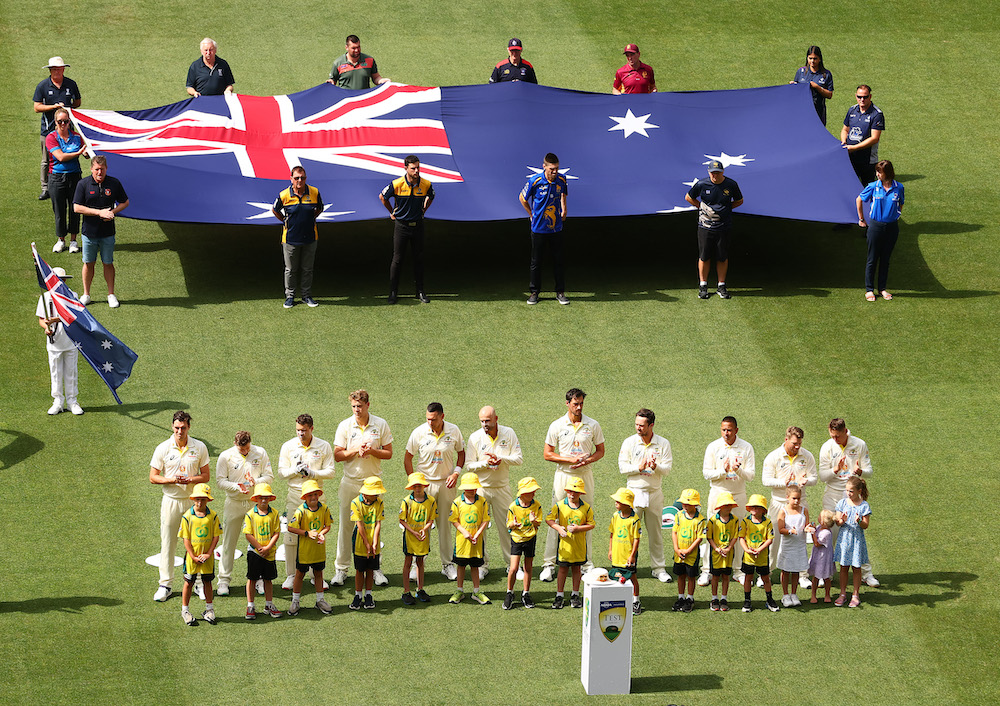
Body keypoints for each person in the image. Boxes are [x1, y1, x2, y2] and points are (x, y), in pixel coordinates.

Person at [539, 388, 604, 581]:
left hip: (584, 475)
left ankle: (585, 563)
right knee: (556, 516)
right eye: (575, 404)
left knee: (585, 516)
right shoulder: (557, 425)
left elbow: (600, 451)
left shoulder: (592, 425)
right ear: (567, 403)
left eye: (581, 403)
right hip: (564, 475)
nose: (579, 407)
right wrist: (568, 459)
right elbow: (547, 454)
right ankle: (549, 564)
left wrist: (588, 460)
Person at [333, 390, 393, 586]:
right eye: (353, 406)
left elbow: (388, 453)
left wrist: (372, 451)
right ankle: (341, 570)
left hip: (372, 485)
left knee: (374, 526)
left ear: (368, 405)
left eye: (359, 406)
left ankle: (375, 568)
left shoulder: (380, 424)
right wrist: (355, 451)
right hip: (350, 482)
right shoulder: (345, 425)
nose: (356, 410)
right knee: (346, 527)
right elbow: (337, 455)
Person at [149, 411, 210, 602]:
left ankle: (198, 582)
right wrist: (170, 479)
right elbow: (153, 476)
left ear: (189, 427)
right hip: (171, 501)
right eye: (176, 428)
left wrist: (191, 479)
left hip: (193, 502)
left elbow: (206, 475)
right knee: (168, 542)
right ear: (172, 427)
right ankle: (165, 584)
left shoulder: (199, 447)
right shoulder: (163, 448)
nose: (180, 431)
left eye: (183, 428)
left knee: (196, 542)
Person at [404, 402, 465, 580]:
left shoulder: (454, 430)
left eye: (434, 419)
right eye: (428, 419)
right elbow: (408, 458)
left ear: (442, 416)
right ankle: (417, 564)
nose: (430, 422)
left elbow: (461, 453)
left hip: (447, 484)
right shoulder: (419, 432)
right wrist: (415, 483)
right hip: (425, 485)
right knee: (421, 524)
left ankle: (447, 565)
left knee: (445, 525)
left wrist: (456, 473)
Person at [277, 414, 335, 589]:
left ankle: (315, 575)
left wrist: (313, 473)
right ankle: (291, 575)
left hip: (316, 497)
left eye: (304, 430)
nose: (300, 434)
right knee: (291, 536)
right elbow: (281, 473)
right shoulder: (288, 446)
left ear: (312, 428)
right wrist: (296, 470)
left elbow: (331, 471)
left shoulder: (323, 446)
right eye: (298, 430)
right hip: (295, 496)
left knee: (316, 534)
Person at [818, 418, 877, 586]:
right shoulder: (827, 447)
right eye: (832, 435)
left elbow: (869, 471)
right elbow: (823, 476)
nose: (834, 439)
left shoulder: (859, 444)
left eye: (837, 436)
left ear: (845, 431)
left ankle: (866, 574)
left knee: (857, 533)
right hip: (833, 494)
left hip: (854, 496)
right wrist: (835, 470)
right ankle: (825, 573)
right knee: (829, 533)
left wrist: (861, 471)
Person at [465, 405, 523, 575]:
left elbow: (518, 459)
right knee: (478, 528)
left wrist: (500, 459)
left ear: (496, 419)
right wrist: (486, 463)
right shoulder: (475, 437)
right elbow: (469, 465)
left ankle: (512, 565)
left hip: (502, 488)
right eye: (482, 421)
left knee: (507, 527)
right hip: (481, 489)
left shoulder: (509, 433)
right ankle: (482, 565)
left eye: (488, 421)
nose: (485, 424)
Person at [215, 430, 274, 597]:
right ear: (235, 444)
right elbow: (220, 481)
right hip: (233, 503)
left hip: (254, 503)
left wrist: (255, 481)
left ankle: (260, 579)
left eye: (247, 448)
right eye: (242, 449)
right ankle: (224, 581)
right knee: (228, 542)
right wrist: (236, 486)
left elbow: (269, 476)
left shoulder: (260, 452)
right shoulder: (225, 456)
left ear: (250, 443)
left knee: (259, 540)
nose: (245, 452)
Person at [699, 415, 755, 586]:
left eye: (729, 430)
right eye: (723, 430)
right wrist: (722, 471)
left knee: (738, 533)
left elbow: (751, 476)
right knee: (712, 532)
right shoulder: (713, 447)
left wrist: (739, 471)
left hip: (738, 494)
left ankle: (738, 571)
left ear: (736, 430)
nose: (726, 433)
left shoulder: (746, 447)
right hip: (718, 493)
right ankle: (707, 571)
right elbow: (707, 473)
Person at [617, 408, 672, 582]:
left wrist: (656, 467)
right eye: (636, 424)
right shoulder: (629, 442)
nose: (638, 428)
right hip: (634, 493)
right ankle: (626, 566)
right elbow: (622, 468)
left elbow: (667, 469)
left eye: (642, 425)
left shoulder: (663, 443)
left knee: (655, 532)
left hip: (655, 493)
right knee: (629, 532)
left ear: (651, 425)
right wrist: (638, 468)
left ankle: (659, 568)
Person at [73, 156, 128, 308]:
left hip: (108, 233)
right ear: (91, 169)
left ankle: (111, 294)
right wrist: (99, 213)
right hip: (89, 233)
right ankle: (86, 294)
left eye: (102, 169)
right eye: (97, 169)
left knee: (108, 263)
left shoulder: (114, 183)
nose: (99, 172)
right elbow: (77, 207)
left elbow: (125, 202)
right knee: (88, 263)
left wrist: (113, 212)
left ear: (106, 169)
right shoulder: (83, 184)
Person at [761, 426, 816, 576]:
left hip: (800, 502)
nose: (797, 447)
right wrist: (783, 482)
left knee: (801, 538)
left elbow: (814, 478)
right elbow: (765, 480)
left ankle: (803, 575)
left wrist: (806, 481)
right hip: (778, 503)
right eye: (794, 444)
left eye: (799, 444)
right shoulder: (773, 456)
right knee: (773, 540)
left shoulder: (807, 456)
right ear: (786, 440)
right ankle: (767, 573)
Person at [379, 155, 435, 303]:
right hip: (401, 226)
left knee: (419, 259)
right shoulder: (396, 184)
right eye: (413, 168)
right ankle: (393, 292)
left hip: (418, 226)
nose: (416, 171)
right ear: (405, 168)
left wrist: (424, 209)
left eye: (418, 167)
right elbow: (382, 197)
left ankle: (420, 292)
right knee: (397, 259)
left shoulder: (426, 184)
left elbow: (432, 196)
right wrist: (392, 212)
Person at [685, 159, 743, 300]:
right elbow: (688, 197)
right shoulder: (702, 184)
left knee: (722, 256)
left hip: (724, 226)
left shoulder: (731, 184)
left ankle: (721, 286)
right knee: (704, 256)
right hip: (705, 226)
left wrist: (726, 210)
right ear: (708, 172)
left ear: (722, 172)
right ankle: (703, 286)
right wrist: (703, 208)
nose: (714, 176)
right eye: (712, 173)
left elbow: (739, 200)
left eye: (717, 173)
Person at [520, 152, 569, 305]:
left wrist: (564, 209)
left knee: (558, 261)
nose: (554, 172)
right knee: (536, 262)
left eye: (556, 169)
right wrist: (531, 214)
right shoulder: (535, 181)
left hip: (556, 229)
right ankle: (534, 292)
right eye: (552, 169)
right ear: (544, 167)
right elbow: (522, 198)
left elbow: (563, 194)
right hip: (538, 228)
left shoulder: (562, 179)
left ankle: (560, 292)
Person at [272, 165, 323, 308]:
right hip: (290, 239)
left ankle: (306, 296)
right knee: (290, 269)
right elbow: (275, 210)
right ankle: (290, 296)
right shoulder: (284, 195)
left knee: (307, 269)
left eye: (302, 178)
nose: (300, 180)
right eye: (296, 178)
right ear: (291, 179)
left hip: (310, 237)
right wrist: (285, 221)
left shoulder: (314, 192)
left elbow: (319, 208)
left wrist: (310, 219)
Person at [33, 56, 81, 201]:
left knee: (70, 153)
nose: (57, 72)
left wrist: (68, 109)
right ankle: (45, 188)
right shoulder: (42, 86)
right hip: (48, 130)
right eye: (54, 69)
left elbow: (77, 102)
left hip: (67, 129)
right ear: (50, 70)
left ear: (63, 69)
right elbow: (37, 107)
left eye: (59, 69)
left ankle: (70, 181)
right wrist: (53, 107)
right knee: (46, 160)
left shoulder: (71, 84)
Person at [37, 266, 82, 415]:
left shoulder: (72, 295)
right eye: (59, 280)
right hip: (54, 342)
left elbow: (74, 316)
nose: (62, 282)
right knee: (55, 373)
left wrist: (55, 319)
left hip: (70, 341)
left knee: (71, 372)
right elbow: (41, 319)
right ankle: (58, 402)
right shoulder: (45, 297)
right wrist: (46, 328)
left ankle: (72, 401)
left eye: (63, 280)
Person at [857, 160, 904, 302]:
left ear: (887, 173)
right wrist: (861, 219)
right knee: (872, 258)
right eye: (877, 171)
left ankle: (882, 289)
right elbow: (859, 199)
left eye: (880, 171)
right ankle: (869, 289)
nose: (877, 174)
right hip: (875, 227)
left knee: (885, 259)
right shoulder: (872, 187)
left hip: (892, 228)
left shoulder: (899, 187)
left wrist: (895, 216)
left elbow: (901, 204)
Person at [545, 477, 595, 609]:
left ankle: (575, 594)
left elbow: (591, 524)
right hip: (564, 547)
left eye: (576, 492)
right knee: (562, 569)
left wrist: (579, 528)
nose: (572, 494)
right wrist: (558, 528)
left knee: (577, 569)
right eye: (570, 491)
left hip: (579, 547)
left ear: (581, 493)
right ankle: (559, 595)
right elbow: (549, 519)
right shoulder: (559, 505)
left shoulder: (586, 508)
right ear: (566, 491)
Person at [178, 483, 222, 626]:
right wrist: (192, 555)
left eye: (203, 499)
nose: (200, 502)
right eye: (197, 499)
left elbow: (216, 536)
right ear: (193, 499)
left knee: (207, 582)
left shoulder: (213, 516)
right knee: (189, 582)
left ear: (208, 500)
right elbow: (186, 539)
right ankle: (185, 610)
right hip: (192, 558)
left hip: (207, 558)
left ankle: (209, 610)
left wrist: (209, 554)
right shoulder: (187, 517)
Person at [287, 479, 333, 616]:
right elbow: (291, 527)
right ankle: (295, 601)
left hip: (318, 550)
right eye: (310, 495)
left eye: (315, 495)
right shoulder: (300, 511)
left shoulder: (324, 508)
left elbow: (327, 526)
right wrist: (307, 533)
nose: (313, 498)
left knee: (319, 574)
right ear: (304, 497)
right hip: (304, 552)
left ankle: (320, 600)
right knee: (299, 575)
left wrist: (321, 534)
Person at [46, 108, 86, 254]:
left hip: (74, 177)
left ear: (70, 122)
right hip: (56, 178)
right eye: (60, 121)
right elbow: (61, 157)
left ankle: (73, 240)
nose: (63, 124)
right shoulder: (51, 137)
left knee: (75, 208)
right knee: (59, 209)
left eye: (66, 121)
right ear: (55, 122)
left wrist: (86, 152)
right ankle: (61, 239)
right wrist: (78, 153)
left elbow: (86, 152)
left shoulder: (77, 136)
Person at [448, 473, 492, 605]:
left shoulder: (482, 501)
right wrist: (465, 533)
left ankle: (476, 591)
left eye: (474, 488)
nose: (472, 490)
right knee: (460, 565)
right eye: (469, 488)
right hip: (462, 542)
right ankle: (459, 590)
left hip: (477, 542)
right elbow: (454, 520)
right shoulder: (457, 502)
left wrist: (478, 534)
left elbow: (485, 520)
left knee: (475, 566)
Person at [242, 482, 282, 620]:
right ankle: (250, 605)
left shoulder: (275, 514)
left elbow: (277, 532)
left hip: (269, 553)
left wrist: (268, 548)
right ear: (256, 499)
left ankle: (268, 605)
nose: (264, 500)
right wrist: (259, 548)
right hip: (254, 552)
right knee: (252, 579)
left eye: (266, 497)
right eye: (261, 497)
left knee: (268, 580)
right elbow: (248, 534)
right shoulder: (250, 515)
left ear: (270, 498)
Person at [503, 477, 543, 610]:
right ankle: (510, 592)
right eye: (531, 491)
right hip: (517, 539)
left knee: (528, 567)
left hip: (530, 539)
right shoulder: (513, 506)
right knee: (513, 568)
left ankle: (526, 593)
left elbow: (539, 523)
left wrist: (534, 521)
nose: (533, 494)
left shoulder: (536, 505)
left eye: (534, 491)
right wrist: (513, 524)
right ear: (522, 493)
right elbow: (508, 524)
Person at [833, 477, 871, 608]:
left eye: (851, 491)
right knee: (843, 567)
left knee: (856, 568)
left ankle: (855, 594)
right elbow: (837, 522)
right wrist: (841, 520)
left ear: (859, 491)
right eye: (847, 491)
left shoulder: (864, 505)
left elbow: (865, 525)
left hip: (857, 540)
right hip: (844, 540)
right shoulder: (842, 503)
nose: (848, 494)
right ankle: (842, 593)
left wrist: (859, 520)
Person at [349, 476, 386, 610]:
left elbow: (378, 523)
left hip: (373, 541)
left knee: (371, 569)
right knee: (360, 570)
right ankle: (358, 595)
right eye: (374, 492)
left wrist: (375, 542)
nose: (377, 494)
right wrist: (366, 542)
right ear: (365, 493)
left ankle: (368, 595)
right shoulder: (355, 503)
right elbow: (359, 525)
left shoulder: (379, 503)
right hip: (360, 542)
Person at [739, 494, 780, 612]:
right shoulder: (746, 522)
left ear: (763, 510)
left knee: (766, 578)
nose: (754, 509)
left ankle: (769, 599)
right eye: (752, 506)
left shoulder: (767, 523)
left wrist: (759, 550)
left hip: (762, 557)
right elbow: (741, 537)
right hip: (748, 558)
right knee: (748, 578)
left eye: (757, 507)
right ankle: (747, 601)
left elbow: (770, 539)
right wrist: (747, 550)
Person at [400, 472, 436, 605]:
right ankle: (406, 591)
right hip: (410, 537)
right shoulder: (407, 501)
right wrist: (412, 531)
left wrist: (424, 530)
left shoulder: (431, 501)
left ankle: (420, 589)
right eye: (415, 486)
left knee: (420, 562)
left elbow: (431, 519)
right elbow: (402, 520)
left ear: (424, 486)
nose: (418, 488)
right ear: (411, 487)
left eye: (420, 485)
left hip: (422, 536)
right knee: (408, 562)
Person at [608, 488, 643, 615]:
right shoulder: (615, 516)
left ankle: (636, 600)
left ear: (626, 503)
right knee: (617, 577)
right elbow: (612, 533)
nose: (616, 502)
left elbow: (636, 539)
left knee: (632, 577)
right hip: (617, 554)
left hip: (628, 555)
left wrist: (632, 555)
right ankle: (619, 600)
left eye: (619, 500)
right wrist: (610, 549)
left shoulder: (634, 520)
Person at [841, 84, 885, 185]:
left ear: (870, 96)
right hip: (850, 157)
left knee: (867, 188)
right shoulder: (852, 110)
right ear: (855, 96)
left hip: (867, 160)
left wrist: (854, 147)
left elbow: (874, 138)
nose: (862, 99)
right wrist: (844, 141)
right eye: (859, 97)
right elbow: (845, 129)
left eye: (865, 97)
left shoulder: (877, 114)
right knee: (850, 185)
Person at [671, 488, 706, 612]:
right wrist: (677, 549)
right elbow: (674, 532)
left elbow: (699, 538)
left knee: (691, 576)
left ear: (695, 504)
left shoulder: (700, 520)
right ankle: (681, 597)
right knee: (680, 576)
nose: (685, 505)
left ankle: (690, 598)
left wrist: (689, 550)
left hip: (692, 555)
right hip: (678, 553)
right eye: (684, 503)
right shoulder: (679, 515)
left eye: (688, 503)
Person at [706, 491, 740, 612]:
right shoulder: (712, 521)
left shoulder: (735, 520)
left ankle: (724, 598)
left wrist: (729, 548)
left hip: (728, 553)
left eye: (730, 505)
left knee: (726, 576)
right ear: (720, 506)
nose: (729, 507)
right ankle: (714, 598)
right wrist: (716, 548)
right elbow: (709, 537)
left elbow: (735, 536)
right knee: (715, 576)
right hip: (716, 554)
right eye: (726, 505)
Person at [775, 486, 809, 607]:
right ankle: (785, 595)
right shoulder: (783, 511)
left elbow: (806, 525)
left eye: (798, 498)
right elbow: (780, 529)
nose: (796, 501)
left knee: (796, 570)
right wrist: (790, 531)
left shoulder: (804, 510)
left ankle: (794, 594)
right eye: (794, 498)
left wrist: (808, 528)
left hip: (799, 545)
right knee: (786, 570)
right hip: (788, 545)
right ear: (787, 497)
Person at [789, 45, 833, 125]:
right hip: (802, 111)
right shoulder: (801, 72)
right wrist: (793, 86)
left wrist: (817, 87)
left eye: (815, 58)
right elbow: (796, 93)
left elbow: (829, 95)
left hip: (818, 112)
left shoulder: (826, 74)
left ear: (820, 59)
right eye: (810, 58)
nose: (812, 61)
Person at [808, 510, 836, 603]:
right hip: (818, 556)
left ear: (823, 521)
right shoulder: (820, 527)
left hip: (824, 558)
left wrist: (812, 533)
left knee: (826, 577)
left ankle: (827, 595)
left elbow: (817, 543)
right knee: (815, 578)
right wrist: (814, 528)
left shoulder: (826, 533)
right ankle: (813, 595)